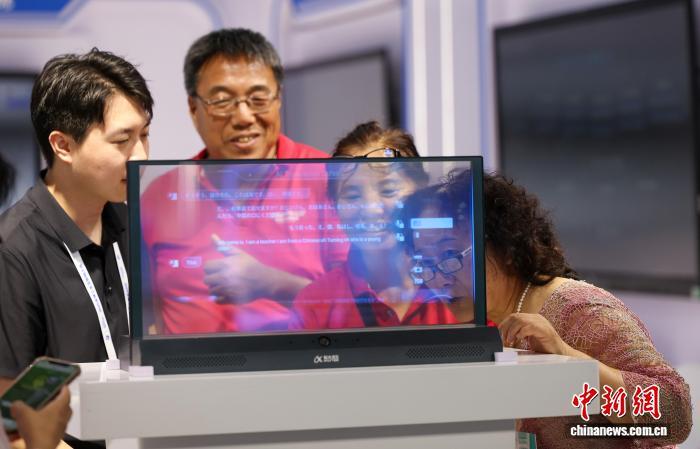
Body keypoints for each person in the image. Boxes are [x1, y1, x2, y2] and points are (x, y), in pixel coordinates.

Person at [403, 171, 692, 448]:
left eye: (449, 255)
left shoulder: (580, 310)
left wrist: (567, 357)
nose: (437, 279)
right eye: (425, 263)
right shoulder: (488, 321)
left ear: (505, 247)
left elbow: (675, 415)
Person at [140, 28, 347, 333]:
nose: (244, 117)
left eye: (258, 98)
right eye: (222, 101)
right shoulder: (161, 194)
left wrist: (274, 283)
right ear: (194, 109)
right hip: (190, 364)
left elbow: (362, 306)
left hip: (302, 361)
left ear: (278, 99)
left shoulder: (328, 179)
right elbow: (147, 314)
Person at [0, 49, 153, 381]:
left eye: (144, 135)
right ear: (63, 146)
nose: (140, 156)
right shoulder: (14, 249)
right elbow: (9, 396)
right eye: (123, 140)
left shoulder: (131, 222)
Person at [292, 121, 479, 330]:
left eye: (388, 190)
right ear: (334, 205)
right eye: (352, 195)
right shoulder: (315, 303)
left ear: (421, 192)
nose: (371, 209)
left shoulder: (463, 282)